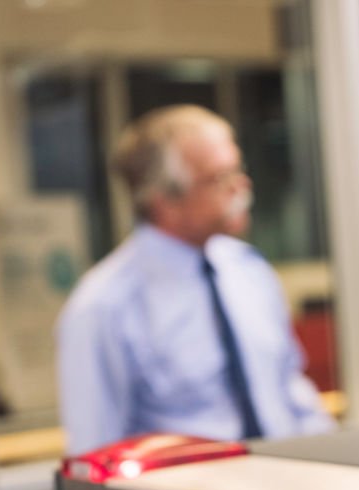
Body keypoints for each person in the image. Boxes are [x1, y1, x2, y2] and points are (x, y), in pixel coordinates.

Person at [56, 105, 332, 454]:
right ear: (164, 200)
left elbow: (287, 387)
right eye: (220, 177)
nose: (241, 186)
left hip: (288, 485)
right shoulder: (105, 305)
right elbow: (95, 453)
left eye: (239, 169)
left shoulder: (250, 271)